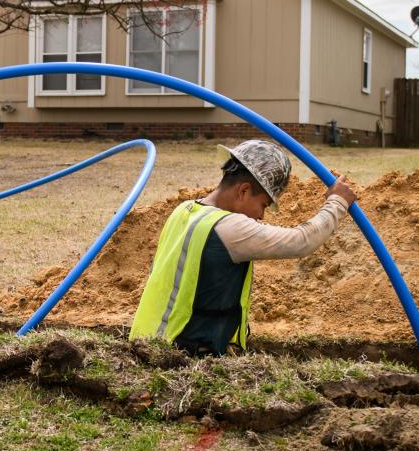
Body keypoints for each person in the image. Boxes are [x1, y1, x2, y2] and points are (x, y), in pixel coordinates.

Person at [129, 139, 357, 355]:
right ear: (244, 191)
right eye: (263, 205)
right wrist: (337, 202)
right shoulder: (229, 228)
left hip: (148, 342)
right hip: (182, 356)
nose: (261, 215)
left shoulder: (184, 210)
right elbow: (302, 241)